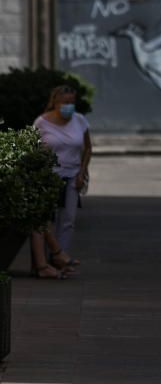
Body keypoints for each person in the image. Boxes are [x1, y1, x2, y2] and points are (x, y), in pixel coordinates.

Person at [33, 85, 92, 264]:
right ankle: (47, 259)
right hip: (49, 177)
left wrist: (82, 172)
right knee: (46, 221)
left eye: (72, 103)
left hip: (73, 175)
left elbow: (88, 148)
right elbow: (32, 149)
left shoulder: (80, 121)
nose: (69, 106)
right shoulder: (41, 123)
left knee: (68, 219)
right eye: (65, 102)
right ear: (55, 103)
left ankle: (61, 258)